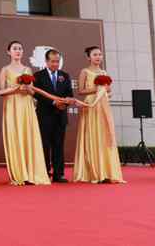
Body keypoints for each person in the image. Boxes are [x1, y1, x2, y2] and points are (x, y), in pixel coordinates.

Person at [0, 41, 50, 185]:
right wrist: (16, 88)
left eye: (20, 48)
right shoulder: (5, 70)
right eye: (15, 49)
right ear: (8, 52)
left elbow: (32, 91)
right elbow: (2, 91)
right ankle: (18, 173)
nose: (18, 51)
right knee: (15, 136)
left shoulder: (27, 69)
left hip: (26, 106)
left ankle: (31, 172)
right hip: (12, 105)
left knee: (28, 135)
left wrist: (26, 88)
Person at [73, 46, 124, 183]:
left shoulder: (104, 72)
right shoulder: (85, 71)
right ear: (88, 57)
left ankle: (106, 171)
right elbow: (81, 91)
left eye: (100, 54)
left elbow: (109, 91)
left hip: (103, 106)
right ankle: (94, 172)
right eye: (95, 54)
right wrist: (96, 89)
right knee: (92, 135)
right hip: (91, 105)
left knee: (104, 135)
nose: (98, 57)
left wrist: (106, 92)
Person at [33, 49, 74, 183]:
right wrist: (53, 102)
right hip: (44, 116)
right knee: (44, 145)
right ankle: (44, 172)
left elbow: (70, 94)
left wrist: (65, 103)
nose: (55, 64)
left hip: (60, 116)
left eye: (57, 61)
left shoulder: (65, 75)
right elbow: (37, 94)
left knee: (58, 146)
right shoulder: (38, 75)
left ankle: (59, 174)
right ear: (46, 61)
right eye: (53, 61)